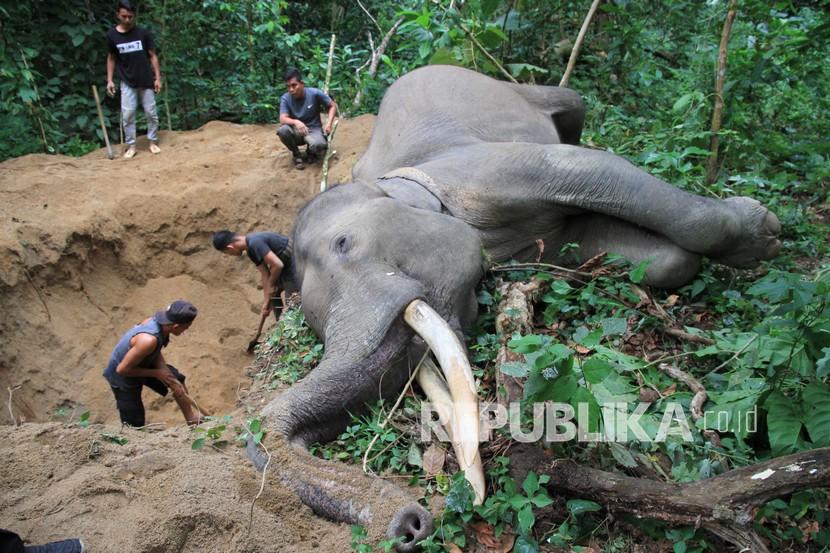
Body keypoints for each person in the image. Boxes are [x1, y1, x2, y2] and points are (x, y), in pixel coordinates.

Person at [103, 300, 201, 427]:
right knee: (134, 422)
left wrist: (167, 375)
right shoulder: (148, 340)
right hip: (123, 375)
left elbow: (155, 350)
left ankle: (191, 419)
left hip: (143, 362)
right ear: (176, 326)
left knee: (177, 379)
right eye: (186, 327)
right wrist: (157, 373)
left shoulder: (162, 325)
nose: (185, 331)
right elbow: (122, 369)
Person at [105, 0, 162, 159]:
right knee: (128, 114)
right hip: (127, 81)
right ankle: (131, 145)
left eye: (130, 17)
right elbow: (111, 58)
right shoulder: (112, 36)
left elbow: (152, 56)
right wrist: (109, 80)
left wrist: (157, 78)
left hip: (146, 80)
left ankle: (152, 141)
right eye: (124, 16)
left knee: (151, 112)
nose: (128, 20)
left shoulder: (142, 33)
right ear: (118, 15)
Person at [212, 230, 291, 320]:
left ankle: (291, 324)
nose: (230, 255)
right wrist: (266, 303)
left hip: (293, 261)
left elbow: (277, 264)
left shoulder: (255, 242)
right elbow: (265, 275)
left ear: (230, 247)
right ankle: (281, 324)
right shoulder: (251, 251)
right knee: (273, 295)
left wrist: (271, 284)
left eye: (227, 253)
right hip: (283, 268)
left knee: (292, 301)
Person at [277, 68, 337, 170]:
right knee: (283, 131)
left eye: (294, 85)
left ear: (302, 84)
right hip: (296, 131)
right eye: (288, 87)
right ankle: (296, 155)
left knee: (319, 145)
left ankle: (311, 151)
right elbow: (282, 119)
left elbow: (332, 106)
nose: (291, 89)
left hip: (313, 129)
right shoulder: (285, 98)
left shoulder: (315, 93)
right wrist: (296, 122)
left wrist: (329, 124)